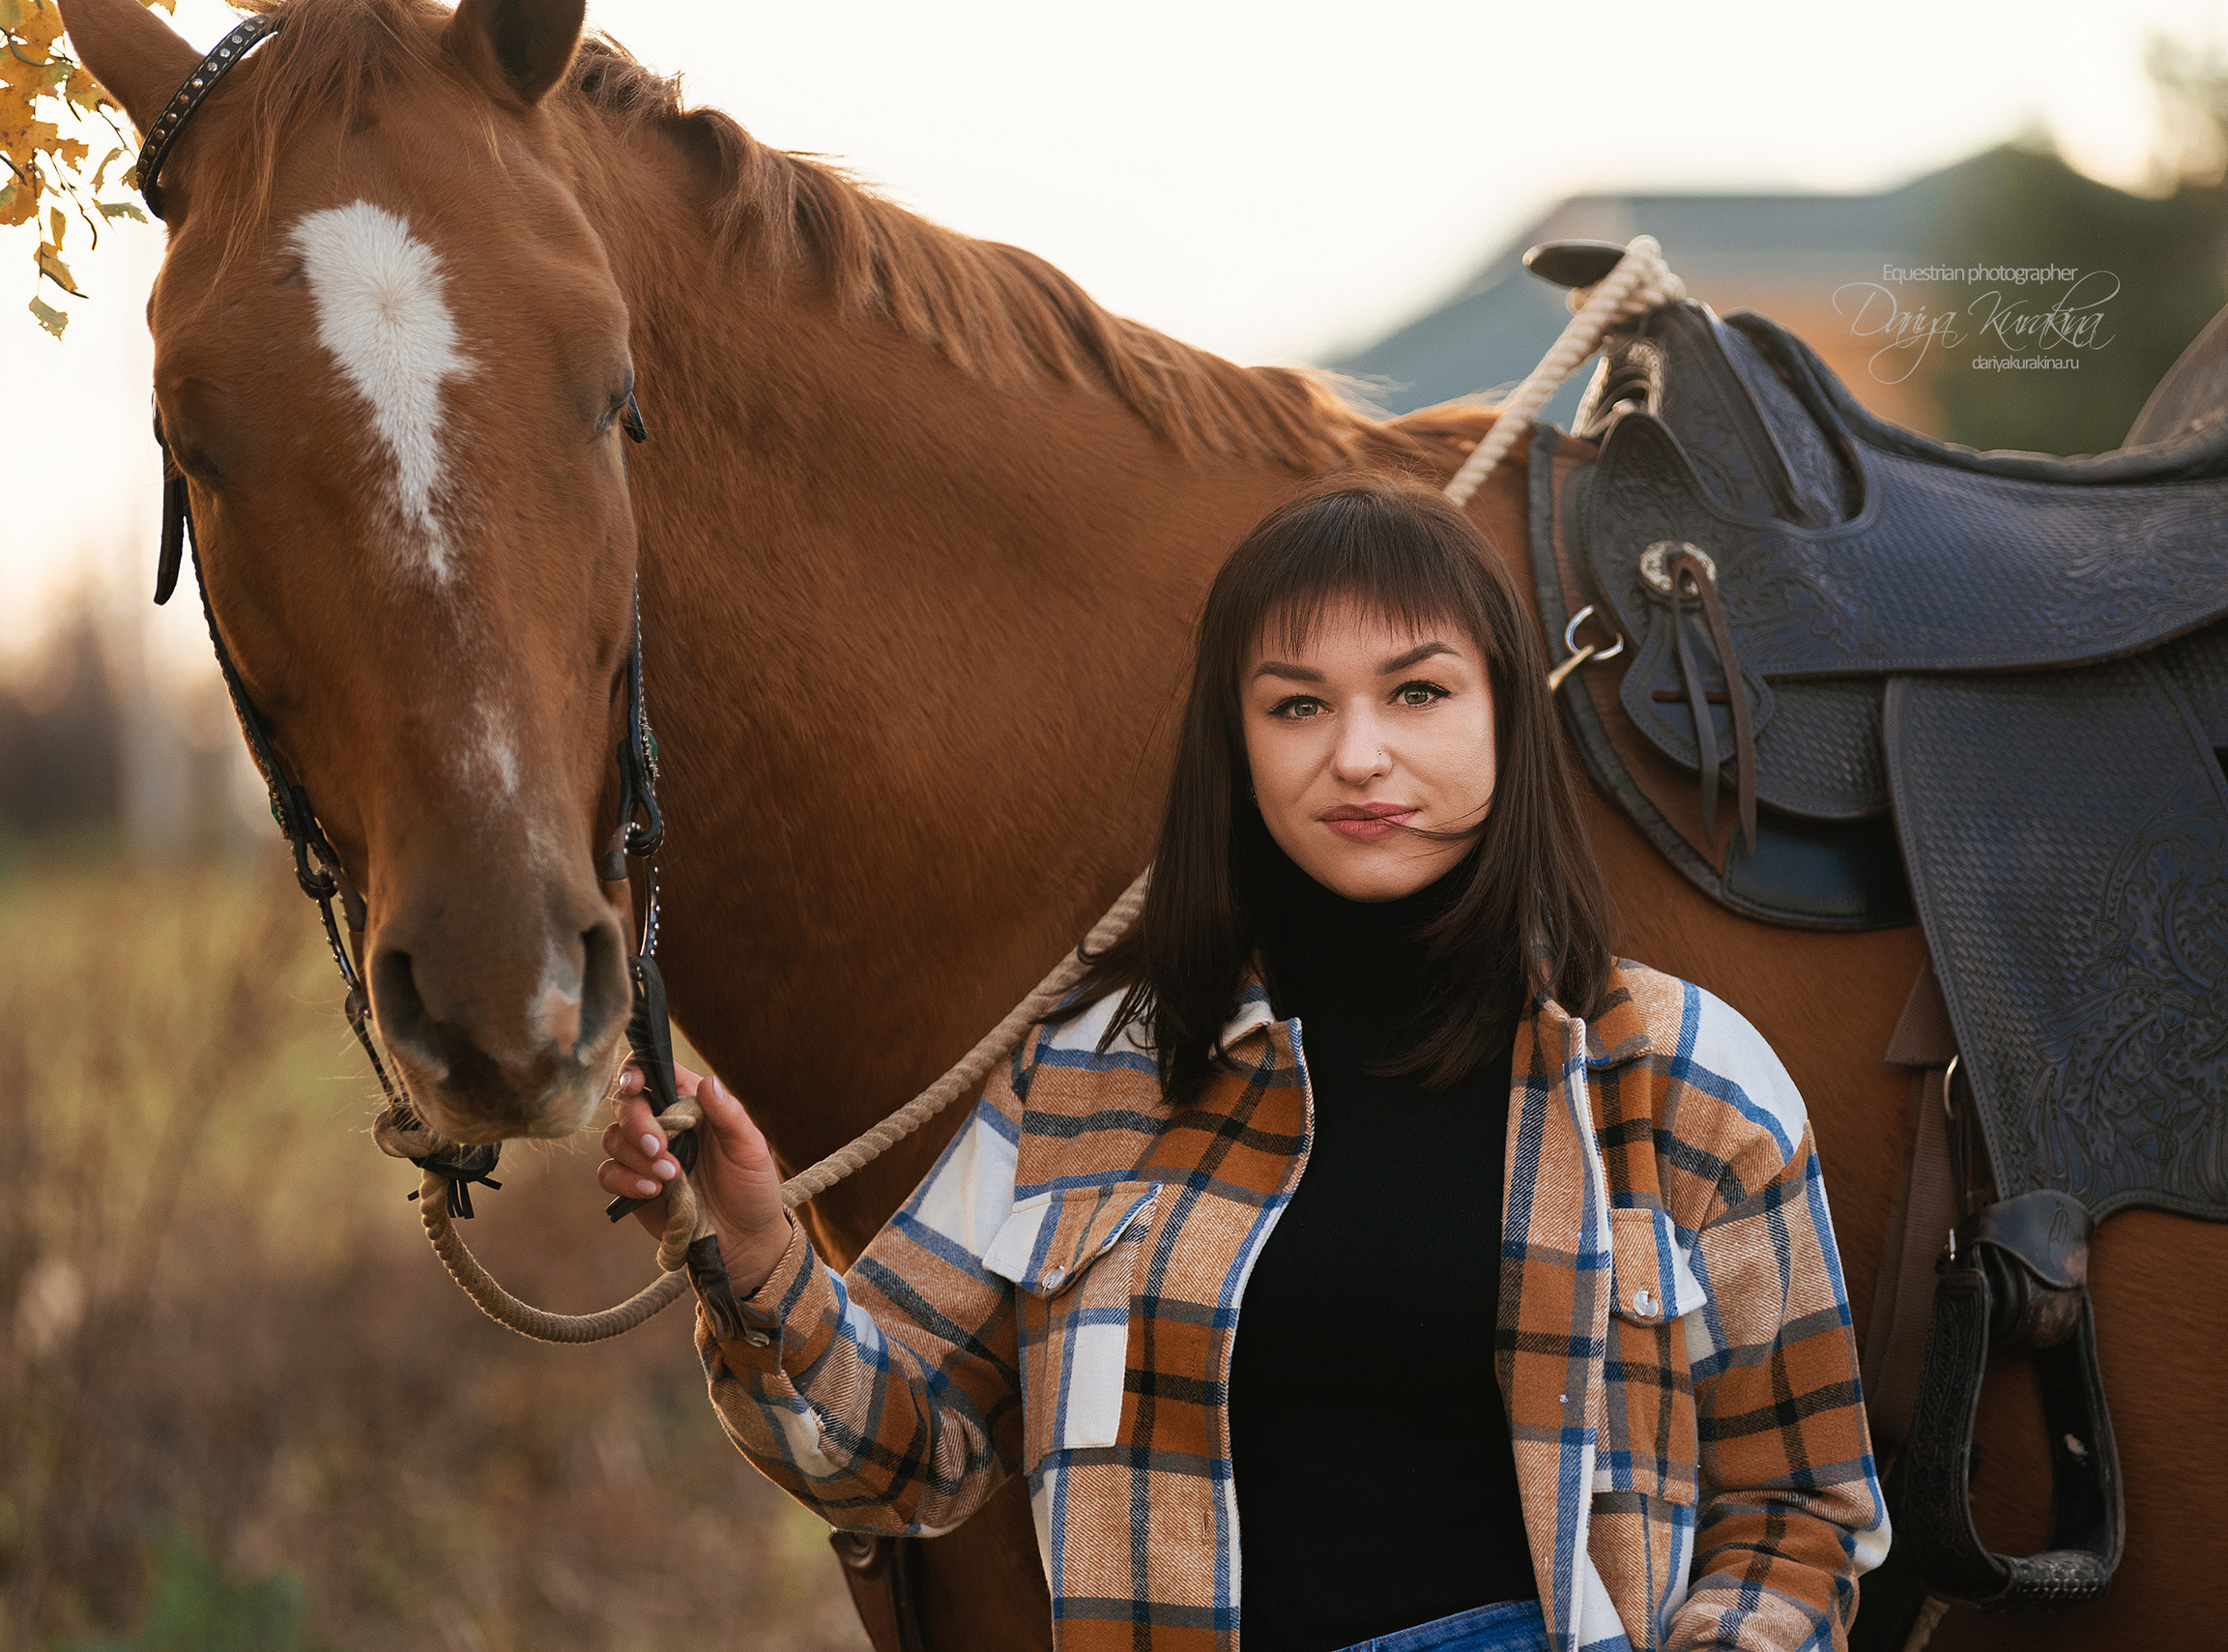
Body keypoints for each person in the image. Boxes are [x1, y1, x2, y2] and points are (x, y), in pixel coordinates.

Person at [599, 477, 1886, 1652]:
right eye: (1298, 706)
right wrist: (754, 1255)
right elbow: (899, 1457)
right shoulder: (1090, 1077)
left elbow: (1802, 1513)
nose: (1359, 754)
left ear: (1504, 713)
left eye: (1419, 693)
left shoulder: (1688, 1079)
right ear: (1239, 745)